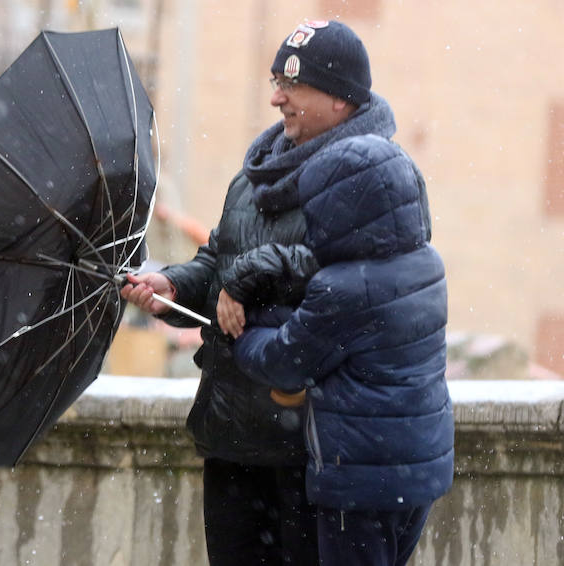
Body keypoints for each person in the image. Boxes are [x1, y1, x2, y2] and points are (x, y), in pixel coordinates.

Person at [121, 19, 411, 565]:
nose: (276, 97)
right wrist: (172, 285)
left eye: (293, 85)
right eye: (277, 81)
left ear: (340, 98)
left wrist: (250, 277)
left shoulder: (373, 179)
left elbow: (358, 280)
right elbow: (219, 258)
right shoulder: (255, 175)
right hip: (234, 438)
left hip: (313, 448)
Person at [228, 134, 453, 565]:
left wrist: (241, 334)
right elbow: (344, 333)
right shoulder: (427, 266)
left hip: (360, 484)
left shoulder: (345, 288)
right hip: (419, 473)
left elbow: (285, 361)